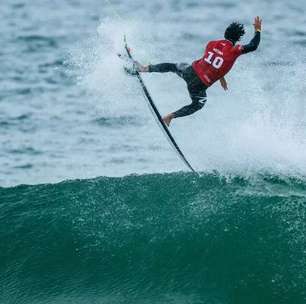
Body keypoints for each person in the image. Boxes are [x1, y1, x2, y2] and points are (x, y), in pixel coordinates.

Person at [129, 16, 262, 126]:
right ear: (238, 39)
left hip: (190, 72)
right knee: (198, 104)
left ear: (225, 33)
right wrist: (257, 30)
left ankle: (144, 68)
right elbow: (253, 46)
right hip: (198, 86)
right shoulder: (235, 51)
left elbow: (213, 61)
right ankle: (170, 116)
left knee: (173, 66)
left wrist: (222, 78)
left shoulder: (212, 43)